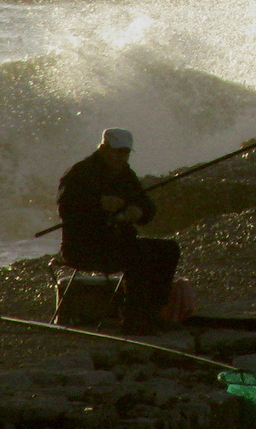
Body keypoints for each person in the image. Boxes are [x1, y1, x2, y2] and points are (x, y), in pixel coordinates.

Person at [57, 128, 180, 334]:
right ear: (103, 148)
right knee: (138, 256)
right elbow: (66, 210)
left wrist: (138, 212)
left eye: (125, 153)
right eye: (116, 152)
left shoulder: (126, 174)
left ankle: (152, 312)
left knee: (169, 250)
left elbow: (147, 207)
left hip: (118, 243)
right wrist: (98, 204)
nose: (121, 157)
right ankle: (134, 319)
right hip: (84, 247)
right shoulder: (79, 173)